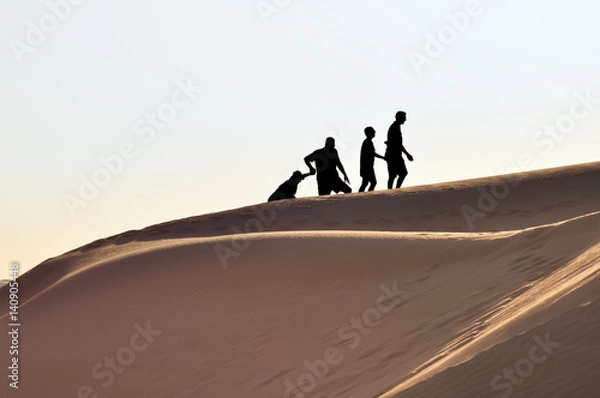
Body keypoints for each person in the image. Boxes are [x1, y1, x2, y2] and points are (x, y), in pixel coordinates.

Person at [385, 111, 414, 189]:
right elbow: (398, 144)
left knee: (394, 175)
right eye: (404, 118)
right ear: (399, 118)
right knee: (399, 174)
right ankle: (394, 190)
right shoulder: (395, 127)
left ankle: (393, 190)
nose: (405, 120)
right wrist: (407, 154)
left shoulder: (396, 127)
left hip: (393, 154)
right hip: (394, 155)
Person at [359, 126, 385, 192]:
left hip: (367, 167)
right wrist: (383, 157)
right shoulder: (368, 142)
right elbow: (372, 153)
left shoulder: (367, 142)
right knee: (372, 182)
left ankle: (362, 196)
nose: (374, 132)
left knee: (365, 183)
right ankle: (365, 196)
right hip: (367, 167)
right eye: (373, 131)